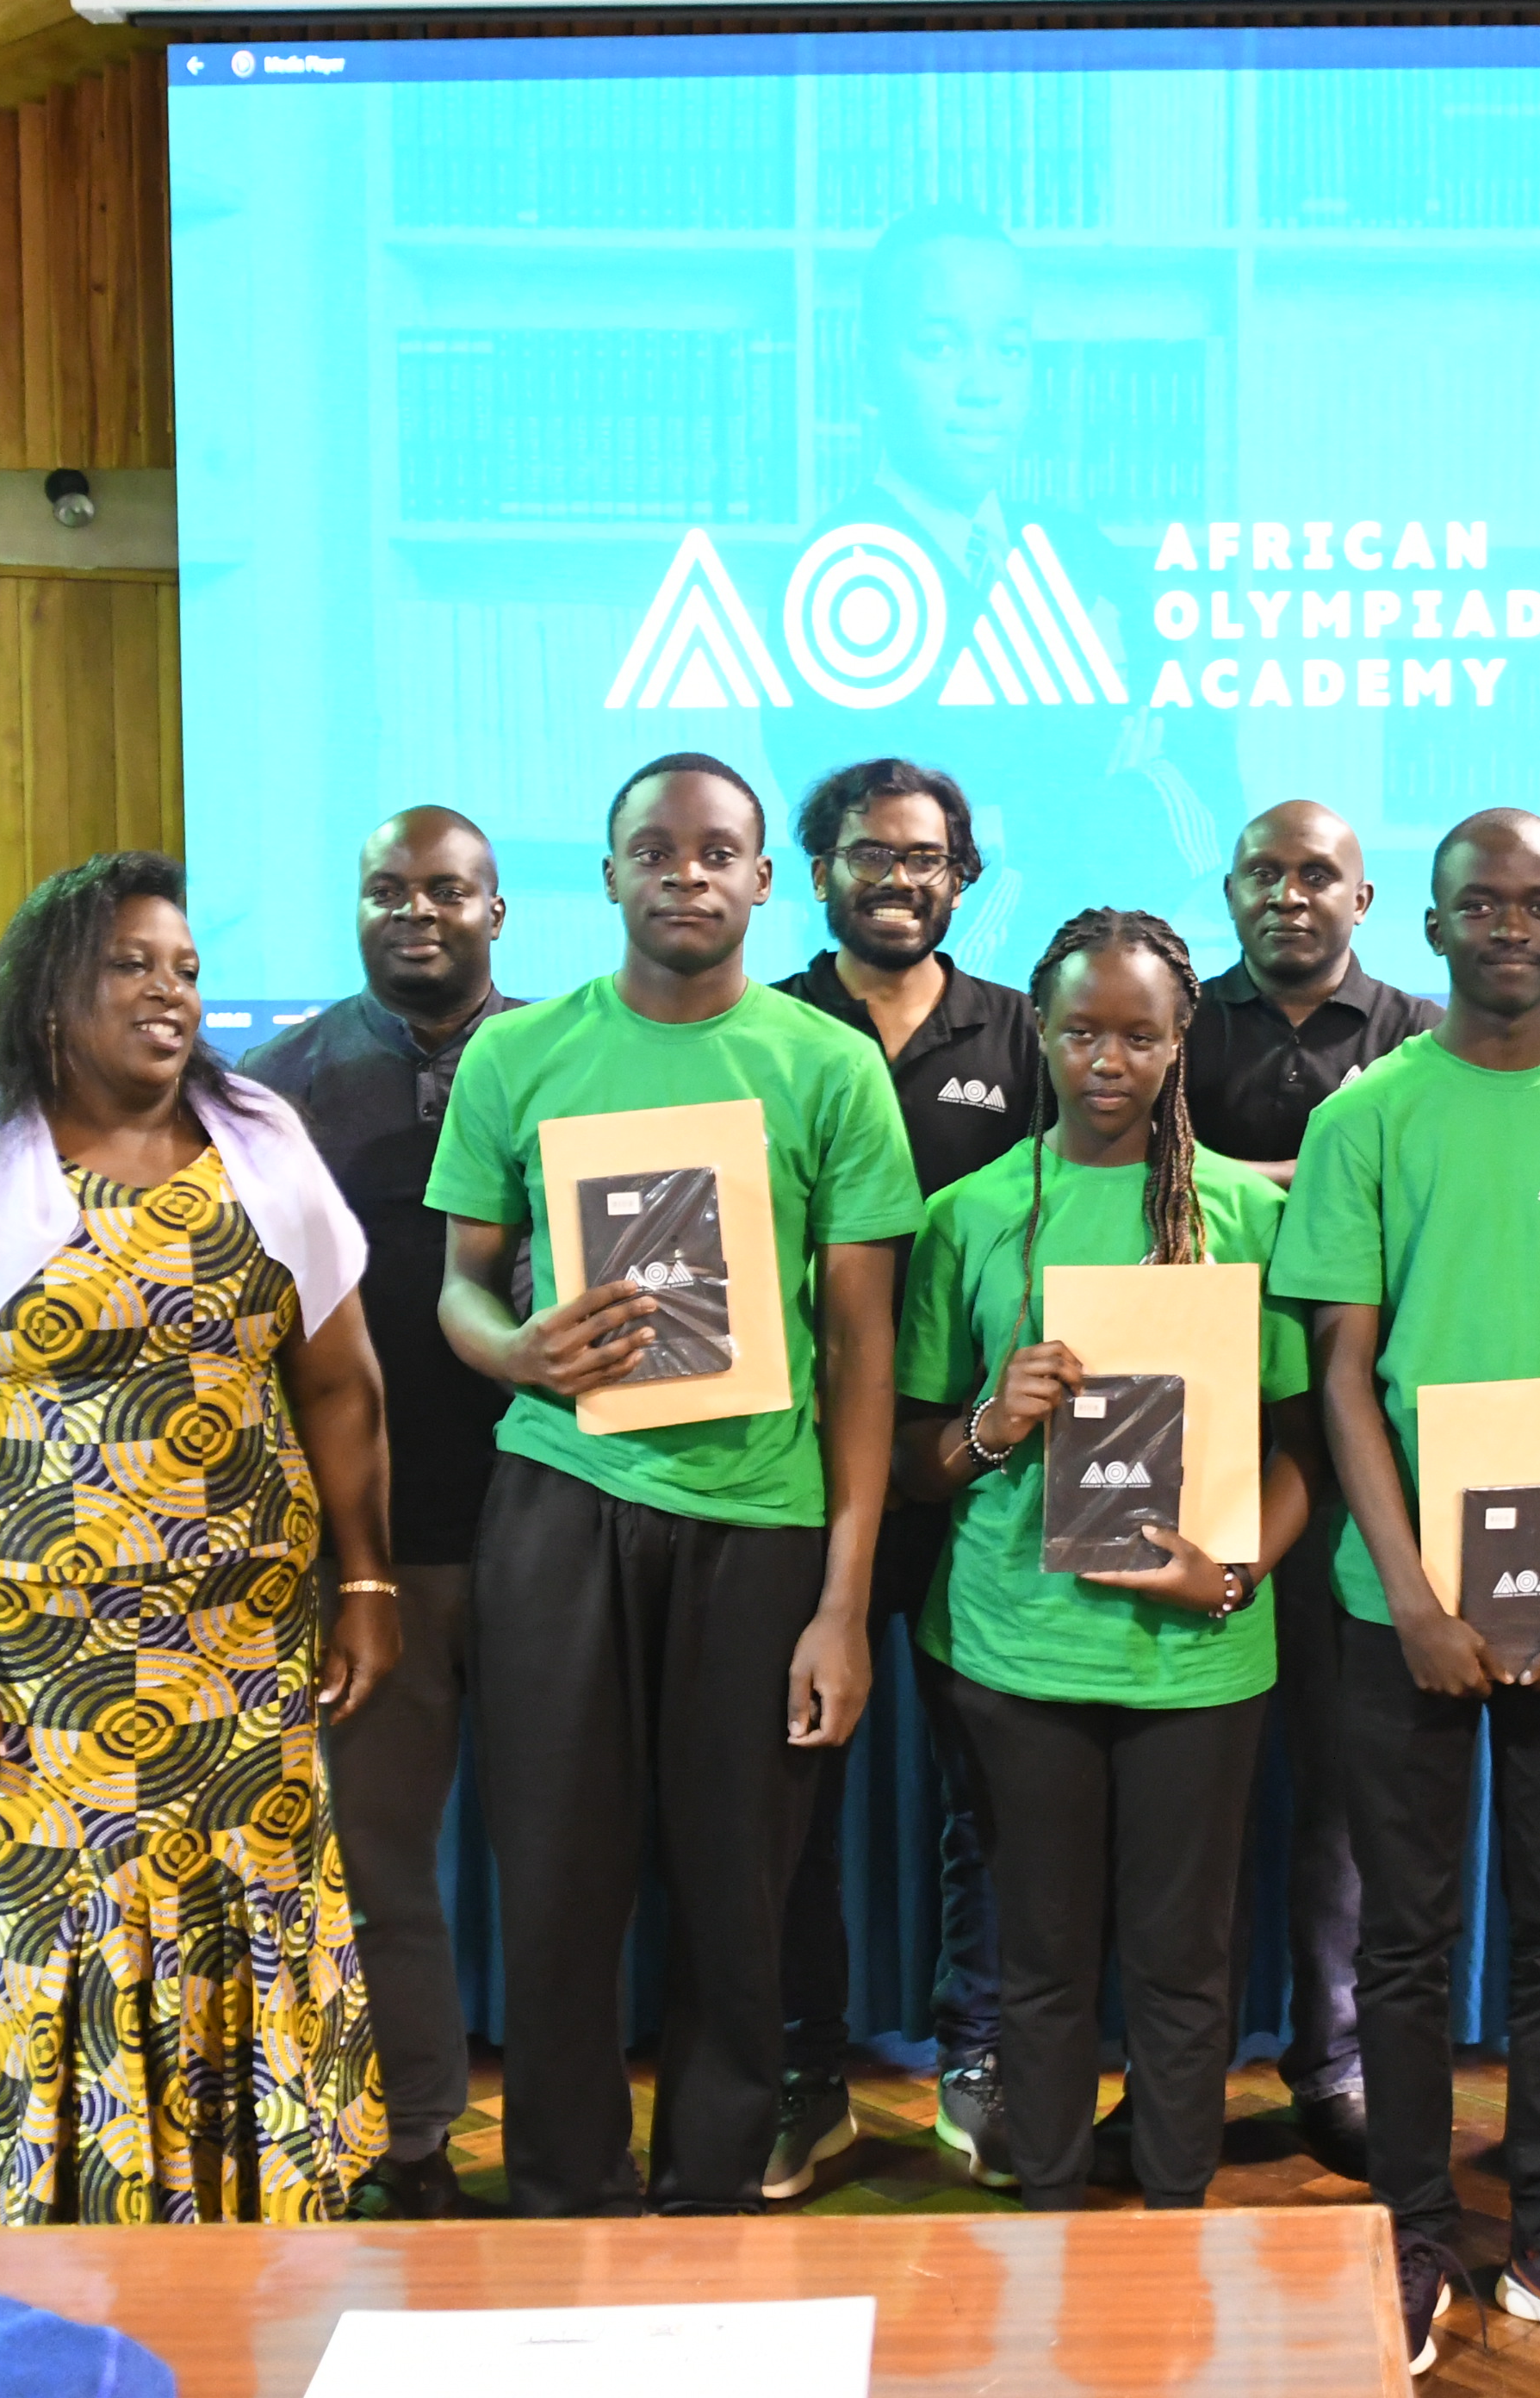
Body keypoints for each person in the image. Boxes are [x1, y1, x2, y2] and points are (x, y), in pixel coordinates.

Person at [0, 852, 398, 2226]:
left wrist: (370, 1580)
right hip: (49, 1666)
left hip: (243, 1664)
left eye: (189, 969)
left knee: (248, 1920)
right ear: (52, 998)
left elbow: (340, 1385)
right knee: (44, 1925)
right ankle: (49, 2240)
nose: (171, 992)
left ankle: (244, 2229)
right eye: (133, 966)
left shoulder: (263, 1140)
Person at [427, 753, 923, 2215]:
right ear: (610, 875)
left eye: (719, 851)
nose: (687, 873)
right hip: (558, 1514)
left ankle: (710, 2193)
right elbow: (456, 1288)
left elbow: (862, 1348)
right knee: (560, 1888)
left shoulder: (826, 1067)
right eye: (656, 848)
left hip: (760, 1530)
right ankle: (564, 2193)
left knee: (737, 1897)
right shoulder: (518, 1056)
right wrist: (515, 1349)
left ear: (765, 878)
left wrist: (842, 1598)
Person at [1272, 810, 1540, 2378]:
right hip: (1406, 1605)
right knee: (1403, 1933)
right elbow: (1340, 1373)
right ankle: (1406, 2228)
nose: (1509, 925)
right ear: (1433, 925)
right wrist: (1408, 1593)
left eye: (1538, 903)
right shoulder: (1367, 1115)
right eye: (1480, 903)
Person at [891, 909, 1314, 2210]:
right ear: (1043, 1035)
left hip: (1199, 1658)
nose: (1108, 1059)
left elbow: (1301, 1456)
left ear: (1182, 1041)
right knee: (1044, 1963)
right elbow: (912, 1461)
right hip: (1016, 1651)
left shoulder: (1244, 1211)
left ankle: (1176, 2218)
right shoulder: (970, 1216)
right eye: (1081, 1031)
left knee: (1185, 1964)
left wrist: (1232, 1574)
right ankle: (1058, 2212)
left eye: (1140, 1034)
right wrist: (988, 1422)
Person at [240, 805, 519, 2221]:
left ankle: (571, 2137)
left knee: (568, 1863)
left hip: (551, 1533)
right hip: (371, 1556)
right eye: (386, 889)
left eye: (447, 890)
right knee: (381, 1863)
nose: (416, 911)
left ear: (498, 910)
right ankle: (412, 2135)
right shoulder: (269, 1090)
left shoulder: (569, 1062)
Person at [769, 756, 1036, 2195]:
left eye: (926, 857)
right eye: (869, 853)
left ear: (964, 877)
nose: (898, 876)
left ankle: (977, 2053)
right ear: (818, 871)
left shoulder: (1027, 1032)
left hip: (971, 1474)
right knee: (789, 1787)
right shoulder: (766, 1026)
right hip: (788, 1475)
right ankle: (805, 2068)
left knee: (984, 1790)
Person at [768, 204, 1236, 966]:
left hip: (1108, 1010)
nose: (983, 386)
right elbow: (887, 864)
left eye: (1011, 348)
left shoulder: (1085, 554)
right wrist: (1110, 797)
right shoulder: (832, 579)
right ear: (871, 373)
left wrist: (1007, 825)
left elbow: (1212, 795)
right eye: (940, 346)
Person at [1183, 798, 1438, 2182]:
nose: (1291, 896)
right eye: (1264, 874)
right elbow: (1137, 1192)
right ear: (1230, 891)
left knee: (1346, 1792)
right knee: (1196, 1785)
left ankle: (1332, 2062)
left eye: (1318, 876)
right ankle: (1181, 2066)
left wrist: (1246, 1192)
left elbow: (1422, 1210)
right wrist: (1313, 1185)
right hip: (1187, 1447)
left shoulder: (1416, 1034)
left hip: (1364, 1457)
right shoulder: (1173, 1020)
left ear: (1367, 896)